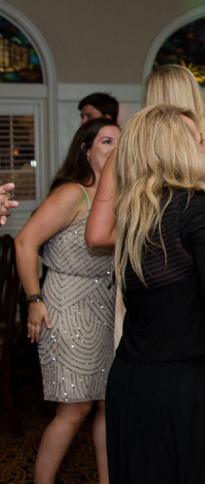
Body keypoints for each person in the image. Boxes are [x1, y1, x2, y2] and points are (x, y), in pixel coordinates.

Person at [104, 105, 205, 483]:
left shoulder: (135, 213)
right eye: (197, 140)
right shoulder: (197, 207)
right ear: (174, 149)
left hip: (133, 384)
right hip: (191, 386)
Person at [14, 118, 120, 484]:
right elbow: (24, 242)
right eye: (106, 141)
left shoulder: (122, 197)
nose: (114, 149)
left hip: (106, 307)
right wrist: (33, 299)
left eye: (119, 142)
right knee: (74, 409)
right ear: (86, 149)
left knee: (109, 404)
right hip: (66, 306)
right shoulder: (73, 193)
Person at [86, 64, 205, 250]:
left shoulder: (123, 155)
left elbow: (97, 236)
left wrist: (147, 234)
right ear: (198, 101)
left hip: (149, 271)